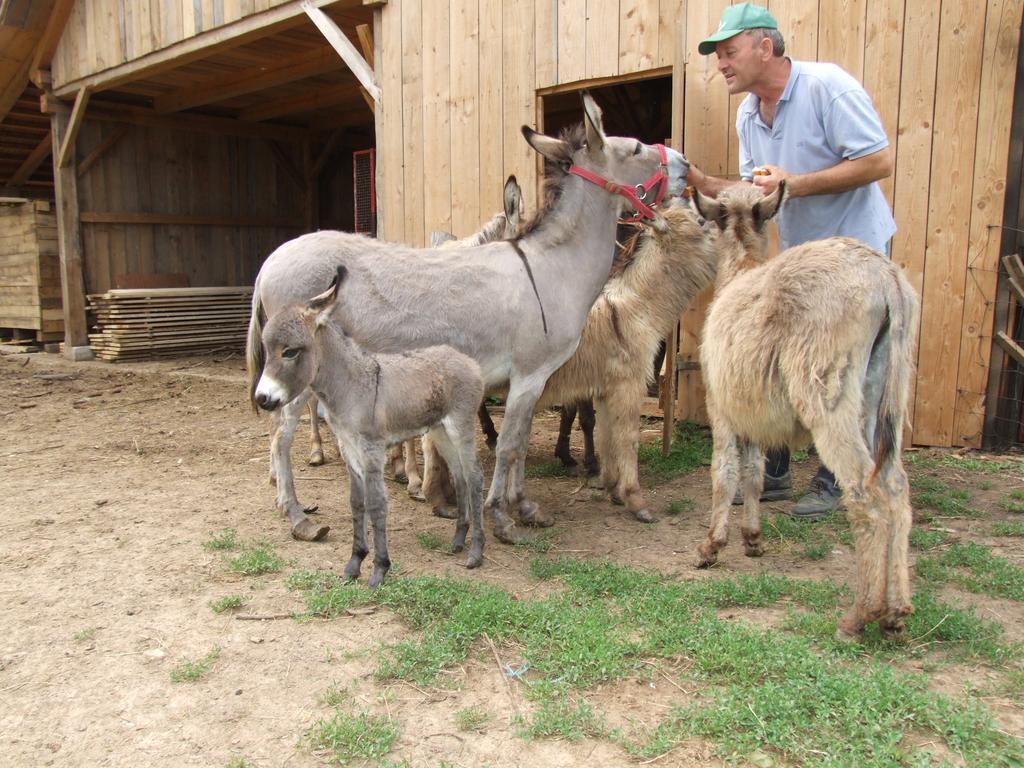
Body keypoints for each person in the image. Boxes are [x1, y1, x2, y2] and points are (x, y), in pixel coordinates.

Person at [688, 2, 896, 519]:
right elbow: (754, 191)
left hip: (854, 259)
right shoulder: (747, 115)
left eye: (729, 52)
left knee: (845, 374)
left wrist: (794, 185)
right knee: (780, 362)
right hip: (799, 262)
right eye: (718, 56)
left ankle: (838, 479)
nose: (722, 65)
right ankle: (774, 471)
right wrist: (703, 185)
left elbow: (879, 160)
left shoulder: (828, 87)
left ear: (765, 47)